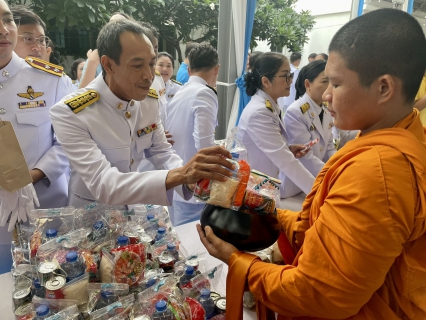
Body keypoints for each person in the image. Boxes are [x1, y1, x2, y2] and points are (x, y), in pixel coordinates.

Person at [198, 8, 426, 320]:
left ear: (383, 88)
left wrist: (237, 261)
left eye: (336, 83)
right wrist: (267, 212)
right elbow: (322, 226)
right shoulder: (405, 136)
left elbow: (321, 293)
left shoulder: (379, 170)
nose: (327, 95)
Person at [50, 20, 234, 209]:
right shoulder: (71, 112)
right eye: (137, 66)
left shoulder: (148, 101)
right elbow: (103, 183)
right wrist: (181, 174)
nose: (149, 75)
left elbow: (162, 152)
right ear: (108, 64)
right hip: (90, 218)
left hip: (136, 216)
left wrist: (191, 179)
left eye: (152, 64)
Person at [0, 0, 71, 272]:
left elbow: (68, 143)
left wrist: (30, 177)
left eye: (8, 20)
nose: (3, 30)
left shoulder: (49, 80)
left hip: (48, 212)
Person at [236, 52, 315, 198]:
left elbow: (269, 148)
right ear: (266, 81)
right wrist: (318, 191)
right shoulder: (260, 112)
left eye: (290, 75)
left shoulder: (269, 105)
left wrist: (287, 148)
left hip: (264, 188)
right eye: (285, 76)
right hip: (254, 192)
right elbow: (285, 161)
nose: (290, 81)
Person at [166, 43, 220, 226]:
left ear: (188, 70)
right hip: (194, 187)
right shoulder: (204, 93)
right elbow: (205, 146)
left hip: (177, 179)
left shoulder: (181, 91)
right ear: (216, 69)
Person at [283, 60, 336, 197]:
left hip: (317, 177)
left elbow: (329, 147)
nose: (329, 87)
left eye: (331, 82)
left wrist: (338, 166)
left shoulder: (325, 108)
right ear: (308, 84)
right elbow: (304, 156)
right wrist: (332, 174)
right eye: (324, 81)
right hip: (298, 183)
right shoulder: (296, 112)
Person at [78, 12, 133, 89]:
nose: (115, 26)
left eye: (121, 23)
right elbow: (81, 95)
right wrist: (92, 63)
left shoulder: (137, 57)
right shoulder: (95, 58)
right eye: (111, 23)